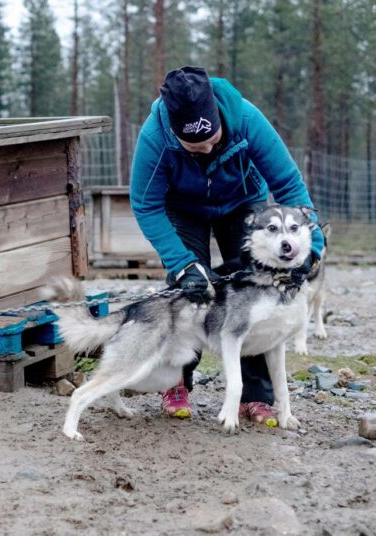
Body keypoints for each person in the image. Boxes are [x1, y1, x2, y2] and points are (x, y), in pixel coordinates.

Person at [129, 66, 324, 426]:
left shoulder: (247, 119)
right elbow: (145, 203)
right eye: (194, 145)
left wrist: (314, 246)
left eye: (212, 139)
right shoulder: (155, 137)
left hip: (241, 204)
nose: (206, 148)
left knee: (254, 289)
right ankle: (176, 382)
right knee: (187, 291)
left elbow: (288, 183)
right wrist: (183, 263)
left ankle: (256, 396)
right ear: (174, 131)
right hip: (182, 209)